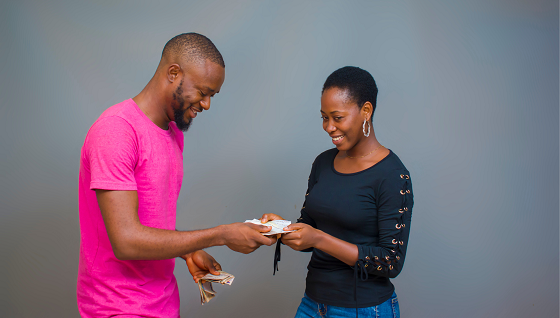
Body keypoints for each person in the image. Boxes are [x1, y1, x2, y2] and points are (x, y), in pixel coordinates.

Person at [77, 33, 276, 317]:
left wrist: (186, 250)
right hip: (117, 307)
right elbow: (126, 240)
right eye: (203, 92)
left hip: (163, 303)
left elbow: (150, 221)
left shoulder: (172, 135)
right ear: (173, 73)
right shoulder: (116, 132)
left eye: (212, 96)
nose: (206, 104)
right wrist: (220, 235)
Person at [261, 66, 413, 318]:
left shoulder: (393, 175)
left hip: (363, 310)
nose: (328, 127)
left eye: (337, 117)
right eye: (323, 117)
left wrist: (319, 239)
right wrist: (282, 229)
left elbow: (391, 261)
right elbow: (308, 228)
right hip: (313, 304)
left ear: (366, 111)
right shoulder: (322, 163)